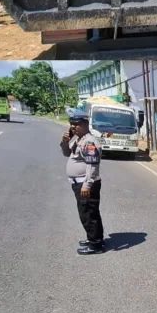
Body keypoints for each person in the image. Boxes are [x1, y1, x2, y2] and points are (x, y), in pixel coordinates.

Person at [61, 108, 105, 255]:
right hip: (79, 183)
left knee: (89, 214)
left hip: (86, 184)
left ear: (85, 124)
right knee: (86, 213)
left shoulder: (90, 141)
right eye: (72, 124)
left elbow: (93, 165)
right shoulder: (78, 139)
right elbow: (67, 153)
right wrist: (65, 141)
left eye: (77, 124)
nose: (74, 127)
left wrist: (87, 185)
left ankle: (96, 245)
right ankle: (93, 237)